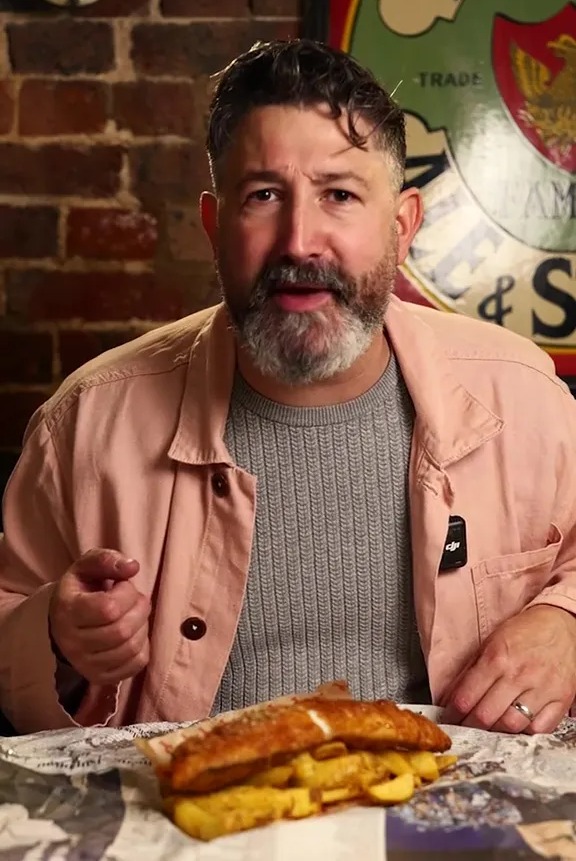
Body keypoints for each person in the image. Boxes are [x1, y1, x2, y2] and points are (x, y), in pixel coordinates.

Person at [0, 39, 575, 737]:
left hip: (441, 831)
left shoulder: (525, 398)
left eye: (339, 194)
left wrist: (565, 620)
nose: (299, 241)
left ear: (401, 227)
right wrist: (57, 636)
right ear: (216, 228)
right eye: (264, 195)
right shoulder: (85, 421)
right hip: (194, 834)